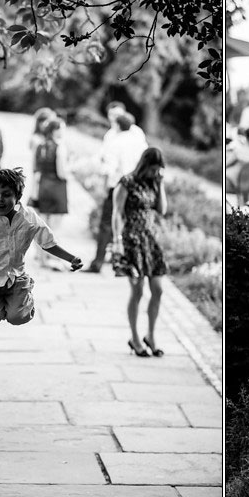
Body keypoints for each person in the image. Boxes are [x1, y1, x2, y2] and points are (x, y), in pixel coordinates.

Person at [0, 168, 82, 325]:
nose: (0, 200)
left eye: (6, 194)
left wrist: (70, 258)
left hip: (16, 277)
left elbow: (48, 242)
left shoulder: (29, 218)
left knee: (18, 318)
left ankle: (24, 294)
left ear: (17, 196)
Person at [111, 148, 168, 357]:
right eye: (154, 169)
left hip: (151, 240)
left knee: (158, 289)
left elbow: (161, 210)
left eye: (159, 170)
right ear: (145, 165)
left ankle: (151, 335)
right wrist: (117, 241)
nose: (156, 173)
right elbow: (116, 213)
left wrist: (160, 184)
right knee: (137, 291)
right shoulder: (127, 182)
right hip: (131, 240)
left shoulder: (154, 183)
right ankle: (135, 338)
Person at [87, 110, 148, 272]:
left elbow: (109, 168)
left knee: (107, 223)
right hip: (137, 186)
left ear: (118, 126)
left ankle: (98, 263)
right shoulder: (140, 142)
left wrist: (98, 170)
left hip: (119, 187)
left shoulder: (116, 143)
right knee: (130, 224)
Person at [32, 118, 70, 269]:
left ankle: (42, 258)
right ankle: (53, 258)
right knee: (55, 227)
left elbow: (36, 168)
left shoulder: (40, 145)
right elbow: (62, 172)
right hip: (56, 188)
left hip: (43, 186)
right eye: (62, 128)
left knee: (43, 226)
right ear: (55, 130)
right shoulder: (60, 147)